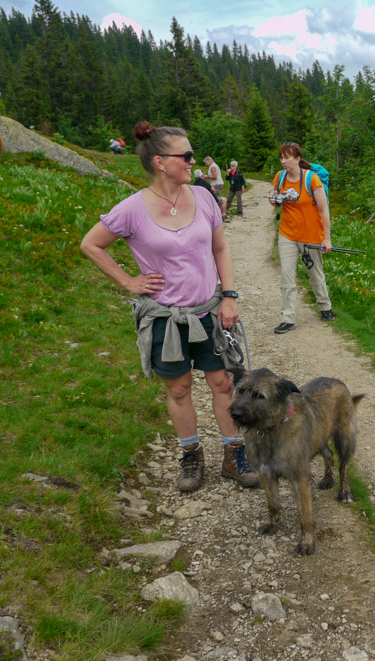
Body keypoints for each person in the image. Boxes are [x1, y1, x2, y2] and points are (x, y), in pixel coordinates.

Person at [80, 121, 260, 492]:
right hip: (165, 317)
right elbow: (90, 244)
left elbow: (220, 249)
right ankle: (191, 455)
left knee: (223, 383)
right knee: (177, 389)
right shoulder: (132, 209)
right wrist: (129, 282)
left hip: (208, 311)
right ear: (161, 162)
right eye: (187, 155)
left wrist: (229, 296)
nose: (193, 162)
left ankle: (233, 454)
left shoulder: (204, 197)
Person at [268, 141, 334, 334]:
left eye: (287, 157)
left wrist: (326, 239)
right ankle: (287, 318)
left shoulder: (312, 179)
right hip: (287, 234)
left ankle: (324, 306)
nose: (283, 161)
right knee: (286, 276)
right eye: (281, 158)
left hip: (311, 236)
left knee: (315, 274)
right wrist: (274, 201)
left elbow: (324, 210)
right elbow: (277, 202)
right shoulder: (280, 178)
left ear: (297, 159)